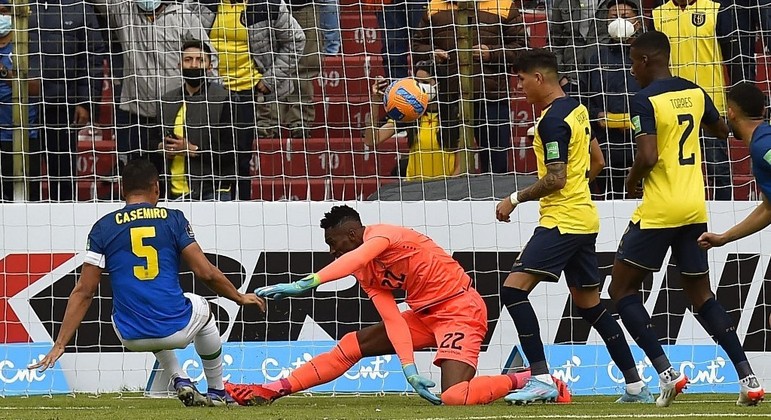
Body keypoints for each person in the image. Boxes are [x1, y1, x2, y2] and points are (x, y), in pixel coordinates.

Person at [224, 205, 570, 406]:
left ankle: (527, 378)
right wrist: (408, 367)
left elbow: (355, 257)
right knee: (351, 345)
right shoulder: (363, 268)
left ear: (353, 234)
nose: (332, 250)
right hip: (423, 316)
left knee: (454, 397)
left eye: (334, 242)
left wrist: (306, 284)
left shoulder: (384, 235)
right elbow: (392, 319)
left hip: (460, 311)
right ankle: (275, 390)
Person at [606, 31, 764, 407]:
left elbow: (647, 156)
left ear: (645, 61)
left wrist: (631, 182)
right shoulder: (694, 91)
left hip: (661, 208)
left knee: (621, 290)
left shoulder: (644, 99)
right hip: (694, 207)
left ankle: (667, 373)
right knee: (701, 295)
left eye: (632, 62)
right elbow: (722, 130)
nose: (631, 70)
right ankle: (749, 378)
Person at [27, 159, 265, 406]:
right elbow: (205, 273)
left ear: (122, 189)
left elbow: (84, 291)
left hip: (130, 335)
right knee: (203, 308)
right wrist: (238, 296)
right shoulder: (173, 219)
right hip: (177, 330)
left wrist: (60, 344)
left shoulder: (103, 227)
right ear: (157, 188)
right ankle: (217, 390)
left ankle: (179, 378)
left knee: (138, 309)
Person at [495, 49, 648, 405]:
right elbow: (598, 161)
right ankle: (635, 384)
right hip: (584, 218)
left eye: (521, 79)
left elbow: (556, 178)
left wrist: (514, 199)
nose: (519, 87)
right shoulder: (578, 110)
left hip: (562, 221)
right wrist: (579, 187)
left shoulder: (551, 121)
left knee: (513, 292)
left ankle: (541, 377)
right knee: (591, 306)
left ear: (538, 78)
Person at [698, 83, 770, 406]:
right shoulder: (761, 142)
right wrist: (725, 237)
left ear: (730, 112)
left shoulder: (763, 144)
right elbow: (769, 209)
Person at [411, 0, 525, 174]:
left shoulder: (503, 4)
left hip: (491, 98)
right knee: (449, 162)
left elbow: (522, 48)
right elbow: (416, 45)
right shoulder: (435, 5)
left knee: (496, 165)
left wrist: (491, 53)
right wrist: (432, 53)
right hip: (449, 98)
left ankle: (495, 201)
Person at [652, 0, 732, 200]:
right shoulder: (657, 14)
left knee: (718, 171)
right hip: (671, 105)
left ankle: (724, 222)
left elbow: (732, 55)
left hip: (710, 102)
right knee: (674, 170)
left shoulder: (715, 9)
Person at [28, 0, 106, 201]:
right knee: (22, 173)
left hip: (61, 106)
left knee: (62, 174)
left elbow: (91, 57)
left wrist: (85, 101)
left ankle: (63, 218)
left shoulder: (79, 8)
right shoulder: (17, 5)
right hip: (17, 106)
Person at [157, 40, 237, 201]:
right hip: (172, 193)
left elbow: (234, 151)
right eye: (188, 60)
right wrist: (161, 148)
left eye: (200, 60)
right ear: (179, 65)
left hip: (213, 192)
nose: (194, 65)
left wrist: (193, 150)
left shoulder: (225, 99)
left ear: (210, 66)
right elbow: (152, 141)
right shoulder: (166, 100)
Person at [584, 0, 642, 198]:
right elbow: (584, 96)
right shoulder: (595, 57)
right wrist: (596, 114)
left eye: (625, 17)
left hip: (640, 144)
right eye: (613, 17)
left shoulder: (646, 56)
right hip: (605, 144)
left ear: (638, 23)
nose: (619, 21)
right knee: (610, 199)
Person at [364, 60, 459, 180]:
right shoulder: (409, 112)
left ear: (438, 85)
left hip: (444, 189)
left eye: (425, 82)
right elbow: (371, 140)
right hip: (414, 188)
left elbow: (461, 166)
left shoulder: (455, 115)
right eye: (417, 82)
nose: (420, 87)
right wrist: (375, 101)